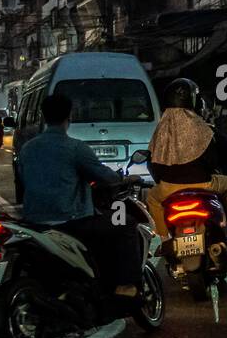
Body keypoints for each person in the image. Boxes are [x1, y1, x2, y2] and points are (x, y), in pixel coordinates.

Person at [15, 92, 141, 295]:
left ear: (44, 117)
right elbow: (105, 177)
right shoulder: (75, 148)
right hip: (71, 222)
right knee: (126, 224)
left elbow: (23, 180)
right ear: (69, 117)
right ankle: (126, 286)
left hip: (34, 222)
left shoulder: (27, 149)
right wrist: (125, 179)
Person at [146, 78, 227, 247]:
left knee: (152, 198)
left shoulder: (160, 131)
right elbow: (223, 160)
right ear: (196, 103)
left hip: (168, 188)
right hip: (204, 184)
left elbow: (152, 162)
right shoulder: (205, 129)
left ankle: (165, 239)